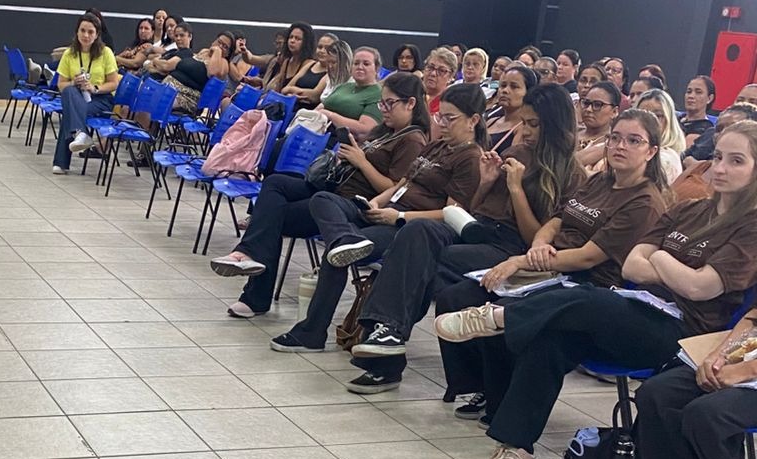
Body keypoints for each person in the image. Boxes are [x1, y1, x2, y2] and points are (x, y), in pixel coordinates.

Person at [432, 109, 669, 459]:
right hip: (549, 267)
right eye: (615, 138)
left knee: (540, 333)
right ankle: (488, 395)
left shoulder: (645, 202)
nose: (620, 146)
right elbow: (557, 220)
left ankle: (514, 443)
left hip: (589, 284)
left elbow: (589, 257)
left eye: (633, 140)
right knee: (458, 294)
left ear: (652, 151)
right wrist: (539, 245)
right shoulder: (599, 181)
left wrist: (522, 260)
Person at [346, 82, 580, 391]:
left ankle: (386, 350)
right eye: (524, 122)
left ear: (554, 125)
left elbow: (534, 238)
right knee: (417, 232)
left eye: (533, 124)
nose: (525, 131)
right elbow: (479, 208)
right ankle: (387, 331)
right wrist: (486, 183)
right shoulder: (517, 152)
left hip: (509, 246)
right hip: (476, 228)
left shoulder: (570, 173)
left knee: (422, 262)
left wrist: (516, 189)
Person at [266, 82, 486, 352]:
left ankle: (312, 331)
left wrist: (399, 215)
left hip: (405, 226)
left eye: (450, 118)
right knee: (323, 200)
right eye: (440, 117)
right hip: (384, 210)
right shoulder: (437, 146)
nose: (442, 124)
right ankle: (345, 238)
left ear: (473, 120)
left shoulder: (470, 158)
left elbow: (451, 214)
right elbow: (402, 183)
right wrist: (376, 202)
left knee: (337, 253)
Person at [208, 73, 430, 317]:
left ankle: (253, 287)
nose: (384, 109)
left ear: (410, 103)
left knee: (272, 217)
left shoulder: (412, 140)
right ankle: (249, 258)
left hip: (348, 206)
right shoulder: (386, 131)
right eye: (382, 103)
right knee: (275, 184)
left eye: (390, 103)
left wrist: (361, 161)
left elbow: (393, 189)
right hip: (334, 188)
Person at [636, 127, 757, 459]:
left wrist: (742, 372)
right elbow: (753, 320)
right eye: (718, 157)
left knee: (706, 413)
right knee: (657, 394)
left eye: (735, 160)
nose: (719, 168)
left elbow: (700, 286)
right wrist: (722, 356)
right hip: (748, 360)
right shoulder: (698, 210)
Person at [52, 14, 120, 171]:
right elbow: (61, 84)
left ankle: (61, 162)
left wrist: (94, 88)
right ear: (77, 32)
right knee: (69, 91)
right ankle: (82, 133)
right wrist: (74, 82)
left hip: (100, 98)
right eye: (82, 31)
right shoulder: (70, 53)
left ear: (97, 35)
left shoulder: (106, 52)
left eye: (90, 32)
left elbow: (114, 83)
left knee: (69, 112)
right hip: (77, 95)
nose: (86, 35)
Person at [318, 45, 382, 137]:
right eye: (356, 63)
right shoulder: (344, 86)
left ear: (376, 69)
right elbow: (320, 108)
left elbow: (365, 129)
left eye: (366, 64)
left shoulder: (378, 94)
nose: (360, 67)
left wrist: (331, 116)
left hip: (341, 140)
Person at [281, 31, 348, 108]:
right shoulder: (310, 64)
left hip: (310, 110)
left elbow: (315, 95)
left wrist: (291, 90)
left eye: (327, 48)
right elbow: (285, 88)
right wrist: (291, 94)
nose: (322, 51)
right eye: (320, 47)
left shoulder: (332, 72)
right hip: (291, 106)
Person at [636, 88, 688, 185]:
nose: (649, 121)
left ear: (669, 121)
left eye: (658, 116)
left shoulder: (667, 159)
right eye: (642, 115)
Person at [486, 62, 537, 150]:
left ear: (528, 92)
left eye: (514, 86)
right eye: (503, 85)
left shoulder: (524, 129)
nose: (505, 90)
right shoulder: (491, 121)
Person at [574, 79, 622, 175]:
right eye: (586, 103)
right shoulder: (570, 134)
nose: (588, 109)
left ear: (614, 112)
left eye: (597, 105)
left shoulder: (616, 144)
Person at [681, 73, 718, 159]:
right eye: (689, 92)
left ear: (709, 98)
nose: (691, 96)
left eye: (698, 92)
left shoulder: (708, 130)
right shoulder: (674, 119)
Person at [421, 45, 459, 114]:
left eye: (441, 71)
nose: (433, 74)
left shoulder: (451, 104)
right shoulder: (412, 95)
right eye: (430, 67)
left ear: (451, 77)